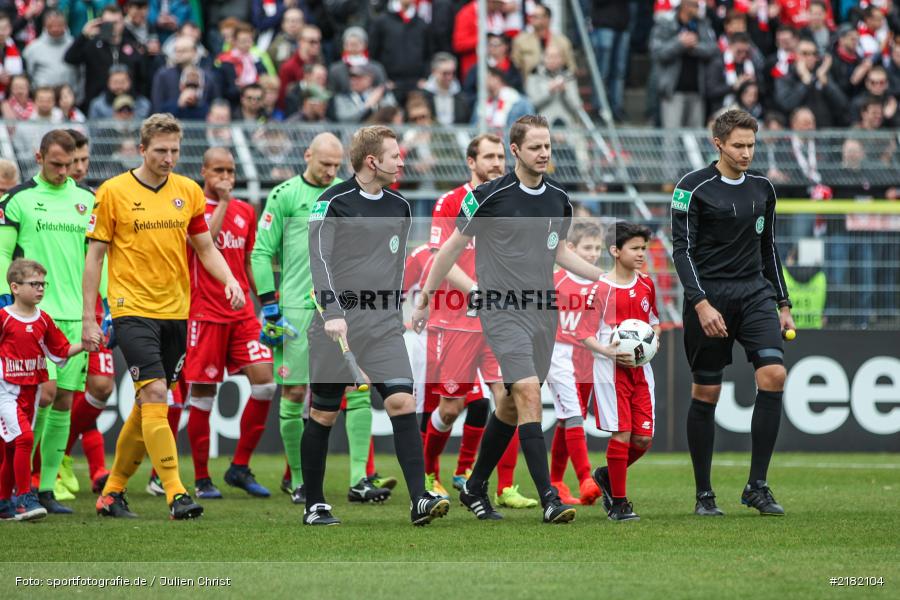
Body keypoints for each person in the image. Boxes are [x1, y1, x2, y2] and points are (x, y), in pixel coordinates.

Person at [413, 115, 605, 523]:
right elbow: (449, 249)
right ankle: (550, 498)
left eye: (548, 146)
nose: (544, 153)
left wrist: (606, 279)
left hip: (543, 314)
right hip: (501, 312)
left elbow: (560, 253)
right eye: (536, 147)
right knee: (529, 394)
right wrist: (425, 297)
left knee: (511, 406)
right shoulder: (486, 196)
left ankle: (476, 485)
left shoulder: (558, 200)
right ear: (516, 150)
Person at [82, 114, 245, 520]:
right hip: (131, 309)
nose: (168, 158)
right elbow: (95, 258)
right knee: (158, 396)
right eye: (160, 151)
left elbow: (206, 248)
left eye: (174, 151)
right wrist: (90, 316)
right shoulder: (113, 192)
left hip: (176, 311)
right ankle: (176, 492)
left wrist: (230, 280)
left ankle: (113, 491)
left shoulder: (187, 191)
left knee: (146, 404)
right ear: (142, 149)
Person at [303, 125, 449, 526]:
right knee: (323, 415)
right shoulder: (331, 202)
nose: (402, 161)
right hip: (337, 327)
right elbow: (320, 262)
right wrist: (332, 312)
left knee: (403, 402)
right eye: (395, 155)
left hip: (384, 326)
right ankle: (314, 504)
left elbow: (394, 267)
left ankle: (419, 499)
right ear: (372, 161)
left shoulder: (400, 206)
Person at [251, 132, 391, 506]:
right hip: (297, 310)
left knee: (358, 392)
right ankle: (298, 481)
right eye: (324, 164)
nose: (331, 172)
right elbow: (261, 252)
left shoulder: (348, 195)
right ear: (307, 155)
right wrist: (269, 306)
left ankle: (360, 479)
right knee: (295, 393)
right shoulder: (284, 196)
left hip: (344, 310)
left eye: (336, 165)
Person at [670, 108, 795, 517]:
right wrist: (700, 302)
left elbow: (768, 248)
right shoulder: (691, 188)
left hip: (755, 293)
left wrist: (783, 303)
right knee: (707, 392)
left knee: (774, 375)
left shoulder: (763, 189)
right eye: (738, 145)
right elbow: (681, 251)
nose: (746, 153)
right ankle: (704, 494)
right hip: (711, 297)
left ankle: (756, 485)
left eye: (751, 145)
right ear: (718, 144)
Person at [420, 133, 537, 508]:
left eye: (500, 156)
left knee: (513, 399)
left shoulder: (510, 198)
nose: (497, 163)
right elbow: (440, 254)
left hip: (500, 321)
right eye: (488, 157)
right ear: (471, 162)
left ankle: (504, 487)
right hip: (454, 320)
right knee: (450, 408)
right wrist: (474, 288)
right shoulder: (451, 202)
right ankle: (428, 474)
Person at [0, 130, 97, 515]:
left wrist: (98, 309)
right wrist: (7, 303)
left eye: (69, 164)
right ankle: (22, 486)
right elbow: (3, 252)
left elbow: (96, 259)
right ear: (39, 157)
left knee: (64, 401)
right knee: (42, 396)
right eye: (55, 164)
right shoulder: (19, 200)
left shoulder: (87, 200)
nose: (62, 171)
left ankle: (46, 487)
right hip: (34, 315)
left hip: (77, 314)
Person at [181, 148, 275, 500]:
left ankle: (239, 466)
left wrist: (266, 302)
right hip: (204, 313)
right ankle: (203, 478)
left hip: (243, 315)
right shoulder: (193, 208)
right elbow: (205, 244)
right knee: (204, 394)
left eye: (231, 171)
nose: (225, 177)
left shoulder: (246, 211)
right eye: (218, 170)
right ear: (204, 171)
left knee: (265, 384)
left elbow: (248, 259)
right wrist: (220, 201)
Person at [583, 222, 661, 521]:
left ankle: (605, 475)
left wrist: (654, 340)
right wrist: (609, 352)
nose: (642, 254)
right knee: (622, 434)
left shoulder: (646, 284)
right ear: (616, 251)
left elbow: (653, 320)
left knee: (643, 439)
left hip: (642, 371)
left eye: (644, 248)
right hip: (610, 371)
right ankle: (618, 503)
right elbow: (586, 333)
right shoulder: (600, 289)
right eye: (635, 248)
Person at [56, 130, 116, 500]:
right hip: (58, 308)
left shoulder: (92, 201)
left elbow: (102, 256)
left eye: (83, 161)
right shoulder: (40, 202)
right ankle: (88, 468)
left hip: (93, 307)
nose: (79, 168)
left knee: (100, 387)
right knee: (58, 394)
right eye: (72, 161)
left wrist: (108, 303)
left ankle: (63, 454)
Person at [0, 259, 83, 521]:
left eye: (42, 284)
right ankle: (25, 498)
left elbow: (60, 351)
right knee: (25, 439)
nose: (40, 289)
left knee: (13, 449)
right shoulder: (3, 318)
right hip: (6, 392)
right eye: (34, 284)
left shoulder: (43, 320)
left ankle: (3, 502)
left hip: (31, 393)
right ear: (15, 287)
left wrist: (86, 344)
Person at [545, 221, 605, 506]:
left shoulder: (601, 284)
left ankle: (556, 481)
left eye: (597, 248)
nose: (593, 254)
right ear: (570, 248)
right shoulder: (555, 280)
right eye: (587, 248)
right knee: (573, 415)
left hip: (588, 357)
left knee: (568, 417)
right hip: (559, 353)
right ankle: (585, 478)